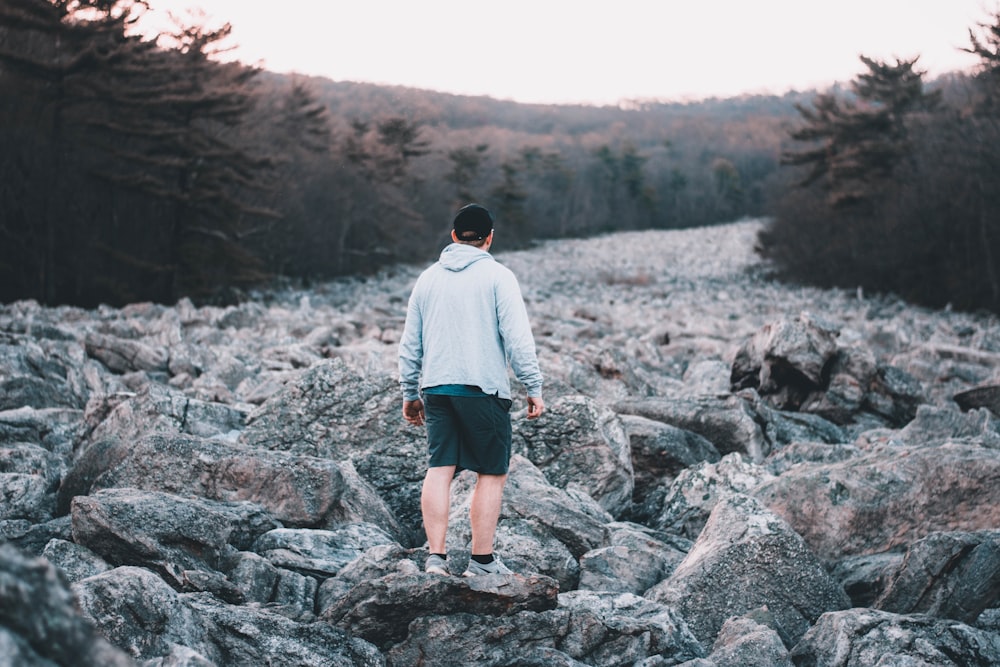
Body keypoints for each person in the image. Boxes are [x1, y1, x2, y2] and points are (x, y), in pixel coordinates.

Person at [398, 203, 544, 577]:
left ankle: (436, 557)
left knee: (439, 467)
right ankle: (482, 561)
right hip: (483, 389)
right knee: (491, 473)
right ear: (489, 238)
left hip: (436, 388)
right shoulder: (498, 276)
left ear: (453, 237)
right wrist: (533, 386)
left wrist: (409, 393)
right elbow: (518, 339)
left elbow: (409, 342)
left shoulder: (428, 278)